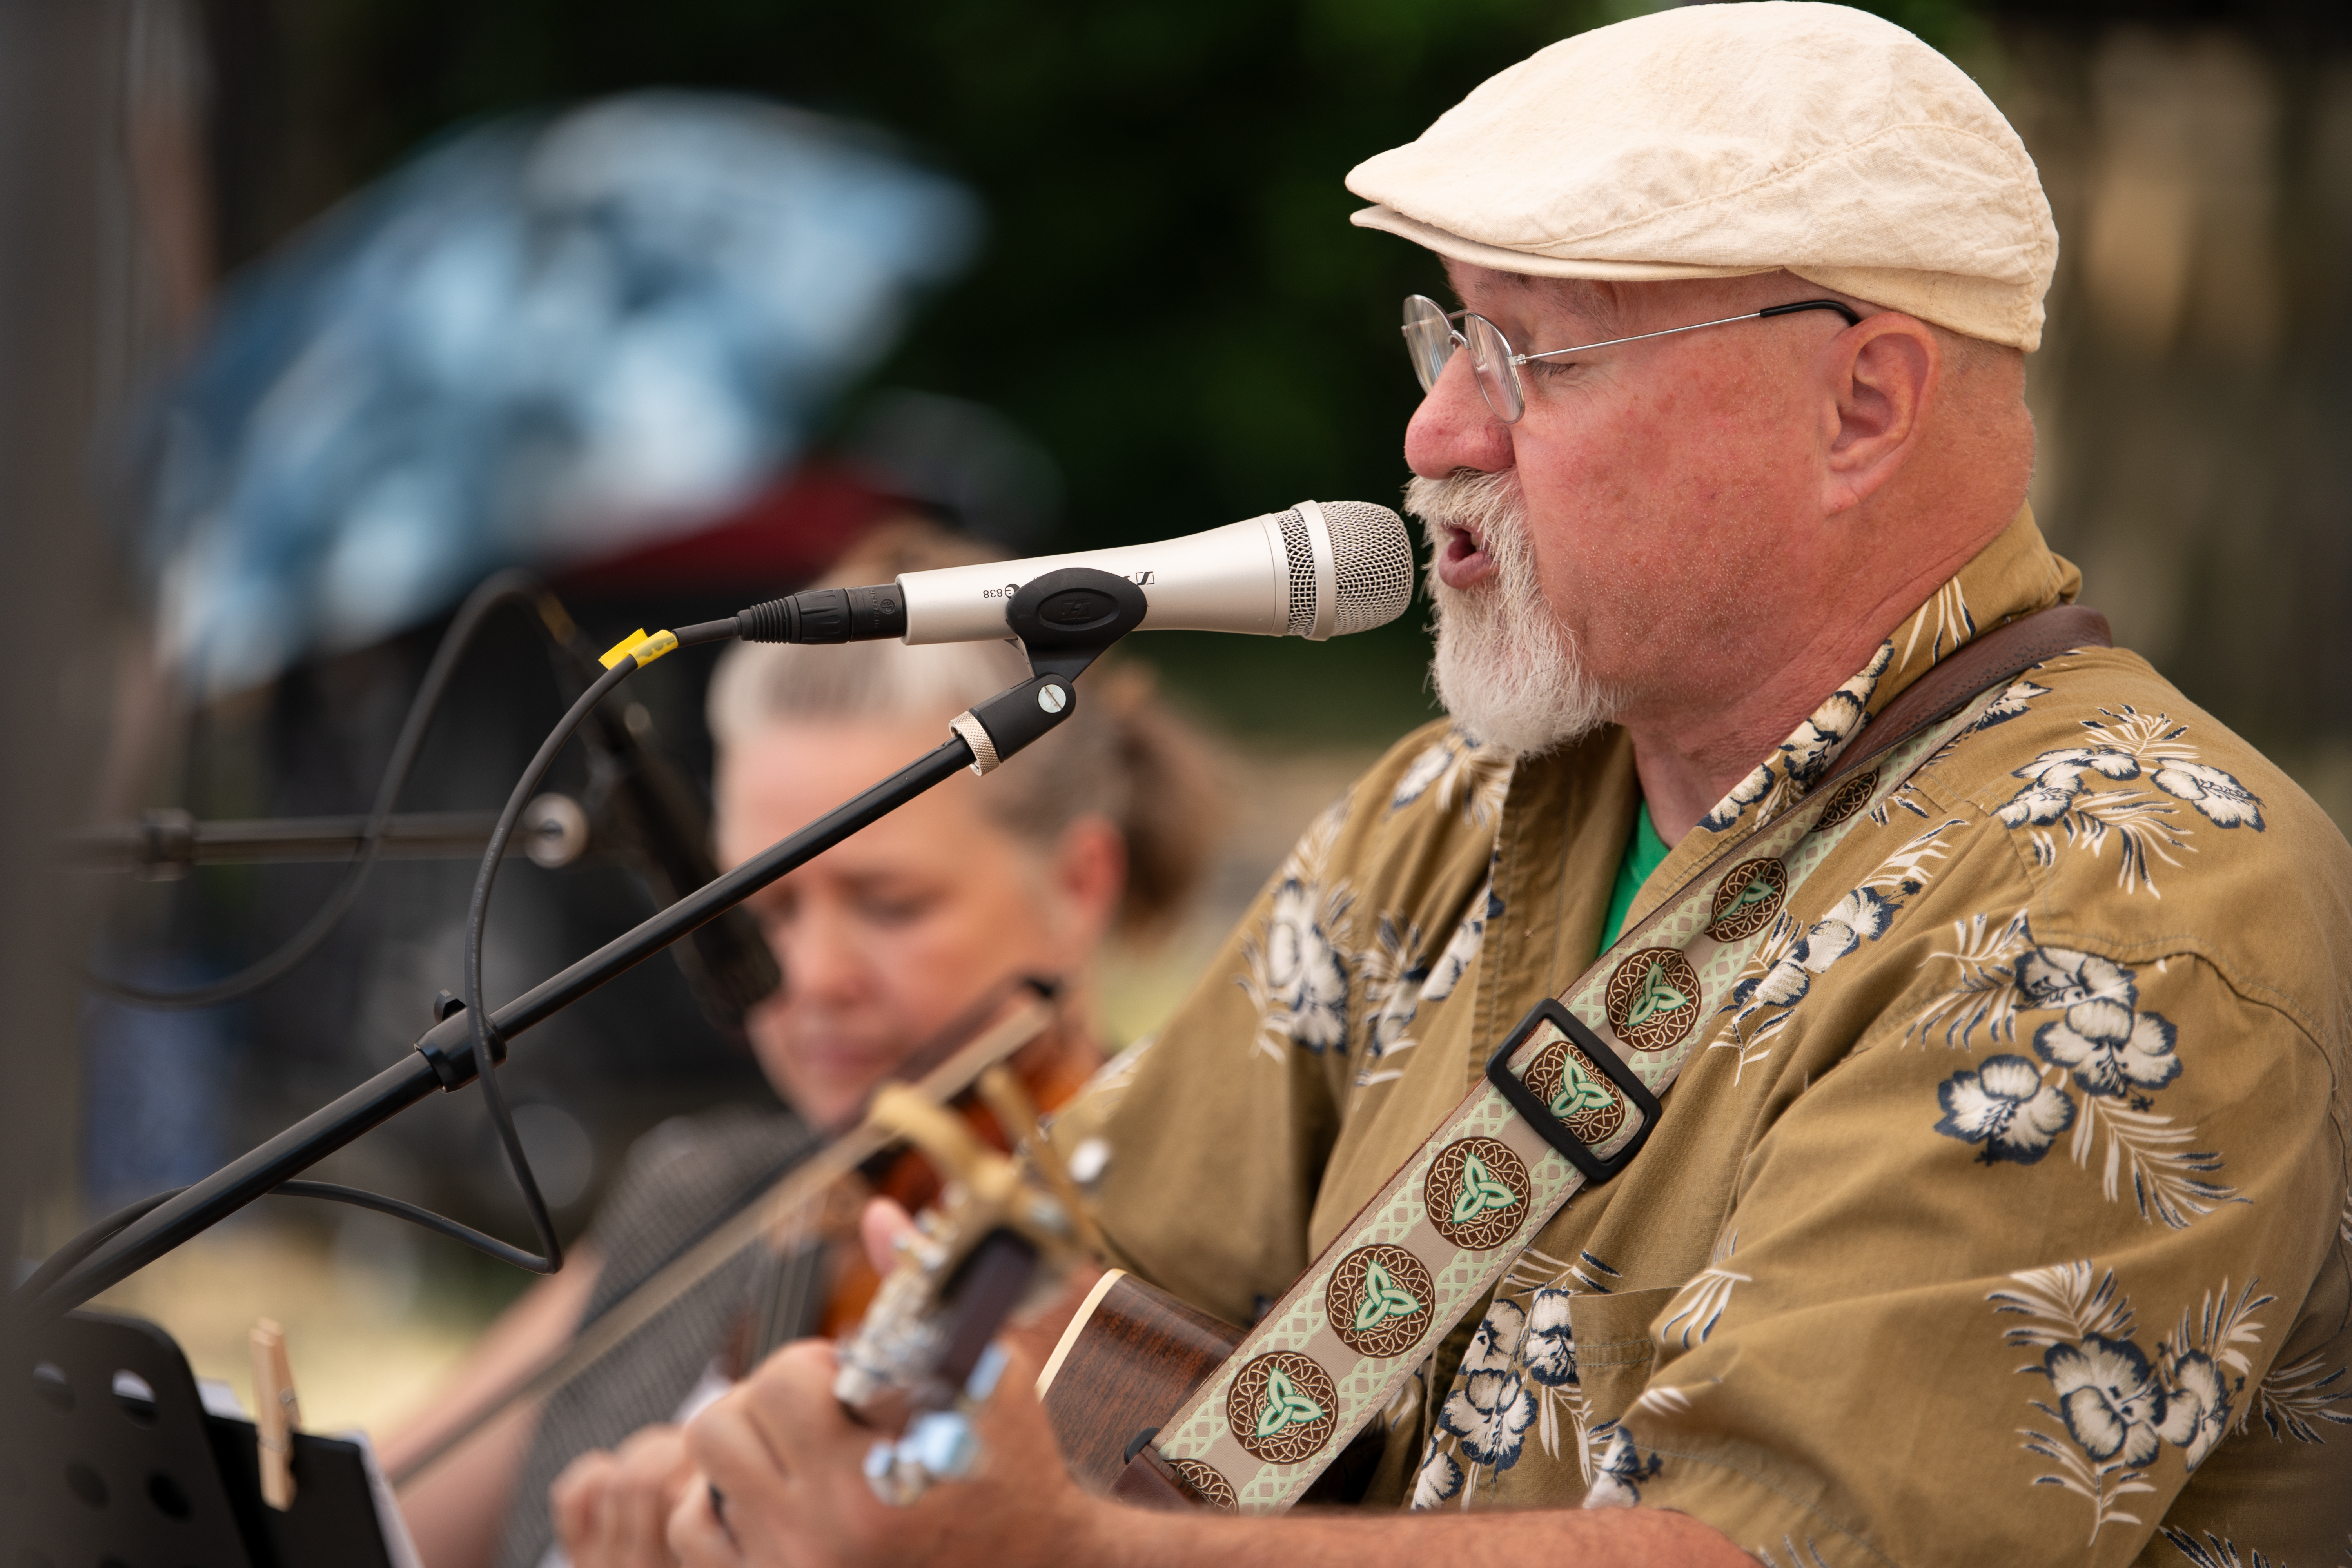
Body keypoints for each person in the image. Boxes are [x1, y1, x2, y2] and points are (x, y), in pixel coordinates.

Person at [656, 5, 2352, 1565]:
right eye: (1449, 338)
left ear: (1863, 403)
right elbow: (1051, 1258)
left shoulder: (2134, 898)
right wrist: (775, 1488)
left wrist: (1081, 1553)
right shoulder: (1442, 819)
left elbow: (1762, 1554)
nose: (1438, 435)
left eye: (1536, 355)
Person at [381, 519, 1224, 1568]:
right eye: (767, 914)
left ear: (1080, 884)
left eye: (889, 905)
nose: (813, 980)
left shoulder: (1168, 1279)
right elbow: (368, 1517)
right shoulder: (711, 1194)